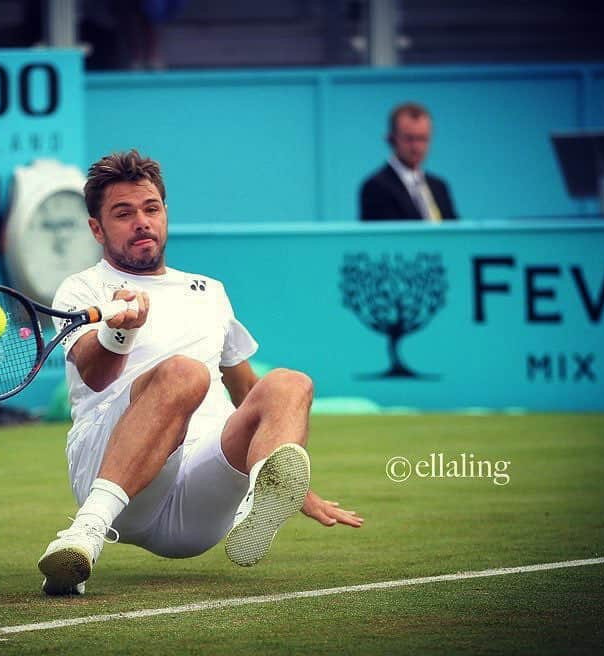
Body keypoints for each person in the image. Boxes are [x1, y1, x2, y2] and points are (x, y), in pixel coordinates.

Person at [37, 150, 363, 595]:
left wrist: (289, 478)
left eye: (151, 209)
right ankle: (86, 532)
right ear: (96, 228)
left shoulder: (210, 292)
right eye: (123, 213)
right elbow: (94, 375)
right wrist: (120, 334)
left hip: (201, 511)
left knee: (291, 383)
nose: (142, 222)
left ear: (166, 213)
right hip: (113, 479)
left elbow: (249, 391)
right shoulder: (83, 288)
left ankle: (260, 500)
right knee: (186, 374)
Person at [359, 102, 458, 222]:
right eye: (409, 139)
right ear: (391, 139)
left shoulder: (439, 187)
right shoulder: (375, 187)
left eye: (422, 138)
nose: (416, 147)